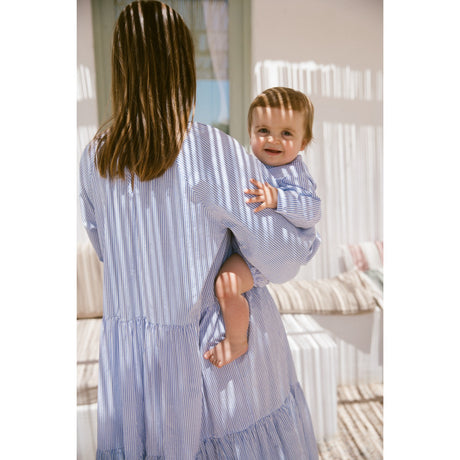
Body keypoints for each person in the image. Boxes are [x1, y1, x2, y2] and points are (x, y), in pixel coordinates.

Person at [79, 2, 321, 459]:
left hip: (135, 375)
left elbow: (106, 251)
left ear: (120, 66)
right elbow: (282, 255)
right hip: (216, 362)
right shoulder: (210, 150)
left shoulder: (95, 158)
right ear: (183, 66)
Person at [204, 87, 321, 368]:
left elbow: (312, 211)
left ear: (303, 142)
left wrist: (279, 198)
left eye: (286, 133)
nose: (273, 139)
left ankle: (236, 340)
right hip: (248, 254)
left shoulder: (294, 173)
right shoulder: (247, 164)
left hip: (280, 251)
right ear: (251, 132)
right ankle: (237, 339)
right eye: (264, 130)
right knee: (226, 285)